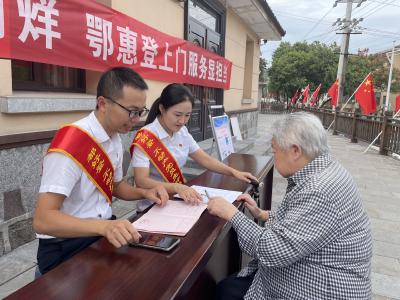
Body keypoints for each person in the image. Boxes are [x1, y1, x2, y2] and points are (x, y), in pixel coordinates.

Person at [207, 112, 372, 299]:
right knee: (229, 287)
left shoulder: (318, 189)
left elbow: (273, 250)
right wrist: (263, 215)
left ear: (295, 151)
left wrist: (231, 214)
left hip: (322, 288)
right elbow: (302, 225)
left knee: (226, 291)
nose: (273, 157)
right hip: (314, 271)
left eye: (274, 151)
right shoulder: (325, 169)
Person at [33, 67, 169, 275]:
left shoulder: (114, 136)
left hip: (99, 235)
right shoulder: (71, 144)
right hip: (66, 246)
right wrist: (103, 227)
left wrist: (144, 193)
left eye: (140, 112)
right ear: (103, 103)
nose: (137, 119)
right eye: (132, 111)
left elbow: (115, 186)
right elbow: (43, 220)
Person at [130, 83, 257, 210]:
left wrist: (234, 172)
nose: (182, 121)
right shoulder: (146, 138)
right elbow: (141, 180)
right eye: (178, 115)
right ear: (162, 109)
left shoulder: (183, 132)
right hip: (153, 204)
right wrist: (176, 187)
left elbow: (205, 159)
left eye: (187, 115)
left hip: (179, 199)